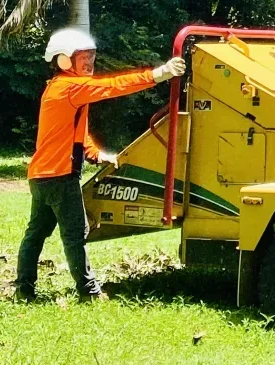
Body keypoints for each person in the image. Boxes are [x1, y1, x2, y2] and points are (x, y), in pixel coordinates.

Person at [17, 27, 186, 302]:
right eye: (82, 56)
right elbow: (113, 86)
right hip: (60, 176)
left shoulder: (58, 89)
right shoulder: (71, 87)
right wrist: (160, 74)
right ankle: (89, 291)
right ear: (62, 60)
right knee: (74, 234)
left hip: (42, 175)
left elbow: (73, 134)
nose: (90, 61)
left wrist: (96, 154)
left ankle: (23, 289)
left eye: (91, 56)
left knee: (36, 233)